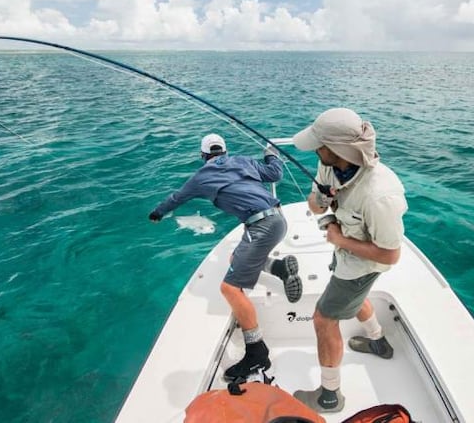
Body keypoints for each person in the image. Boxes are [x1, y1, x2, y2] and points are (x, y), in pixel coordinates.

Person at [148, 133, 303, 380]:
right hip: (277, 218)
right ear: (225, 152)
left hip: (261, 226)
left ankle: (257, 353)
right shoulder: (243, 161)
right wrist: (271, 154)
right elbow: (275, 174)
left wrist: (157, 213)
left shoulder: (201, 177)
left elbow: (176, 198)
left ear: (203, 156)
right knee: (234, 259)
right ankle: (280, 268)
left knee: (229, 289)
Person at [290, 108, 407, 413]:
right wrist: (322, 200)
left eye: (319, 144)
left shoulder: (380, 195)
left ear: (338, 149)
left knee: (323, 318)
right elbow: (315, 207)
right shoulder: (328, 163)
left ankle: (330, 395)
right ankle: (378, 341)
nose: (315, 149)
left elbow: (391, 255)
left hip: (362, 265)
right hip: (345, 254)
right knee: (354, 299)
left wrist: (341, 240)